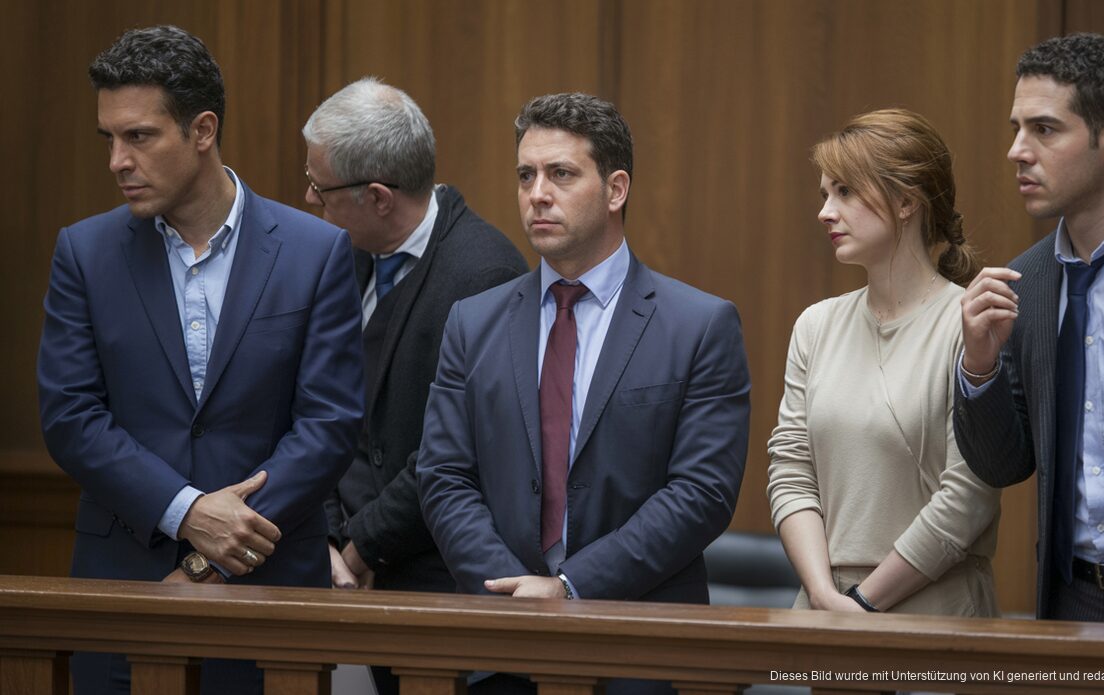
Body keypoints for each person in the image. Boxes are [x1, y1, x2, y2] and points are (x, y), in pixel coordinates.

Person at [37, 25, 363, 694]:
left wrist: (220, 546)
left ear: (203, 131)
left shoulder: (315, 251)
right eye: (109, 138)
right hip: (126, 583)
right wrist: (185, 511)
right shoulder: (84, 254)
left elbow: (329, 423)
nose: (118, 161)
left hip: (270, 586)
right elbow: (70, 416)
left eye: (139, 136)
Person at [416, 92, 750, 693]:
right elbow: (444, 476)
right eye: (526, 176)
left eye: (561, 174)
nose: (537, 194)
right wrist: (512, 595)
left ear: (616, 189)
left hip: (641, 649)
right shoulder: (472, 322)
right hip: (499, 649)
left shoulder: (699, 326)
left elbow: (701, 492)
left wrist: (571, 588)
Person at [955, 33, 1104, 625]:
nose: (1017, 151)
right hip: (1072, 598)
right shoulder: (1029, 279)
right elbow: (1003, 465)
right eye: (1016, 128)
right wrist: (978, 367)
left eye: (1044, 129)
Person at [303, 76, 527, 694]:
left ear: (378, 197)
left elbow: (454, 450)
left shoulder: (484, 273)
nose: (309, 197)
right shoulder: (344, 253)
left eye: (320, 187)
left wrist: (360, 548)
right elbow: (317, 405)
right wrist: (327, 534)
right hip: (348, 569)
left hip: (439, 593)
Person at [767, 109, 1000, 617]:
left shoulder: (971, 324)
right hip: (823, 609)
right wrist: (824, 595)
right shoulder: (815, 326)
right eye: (825, 194)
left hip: (937, 608)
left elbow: (969, 495)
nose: (825, 212)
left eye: (845, 192)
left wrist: (864, 603)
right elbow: (791, 470)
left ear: (906, 202)